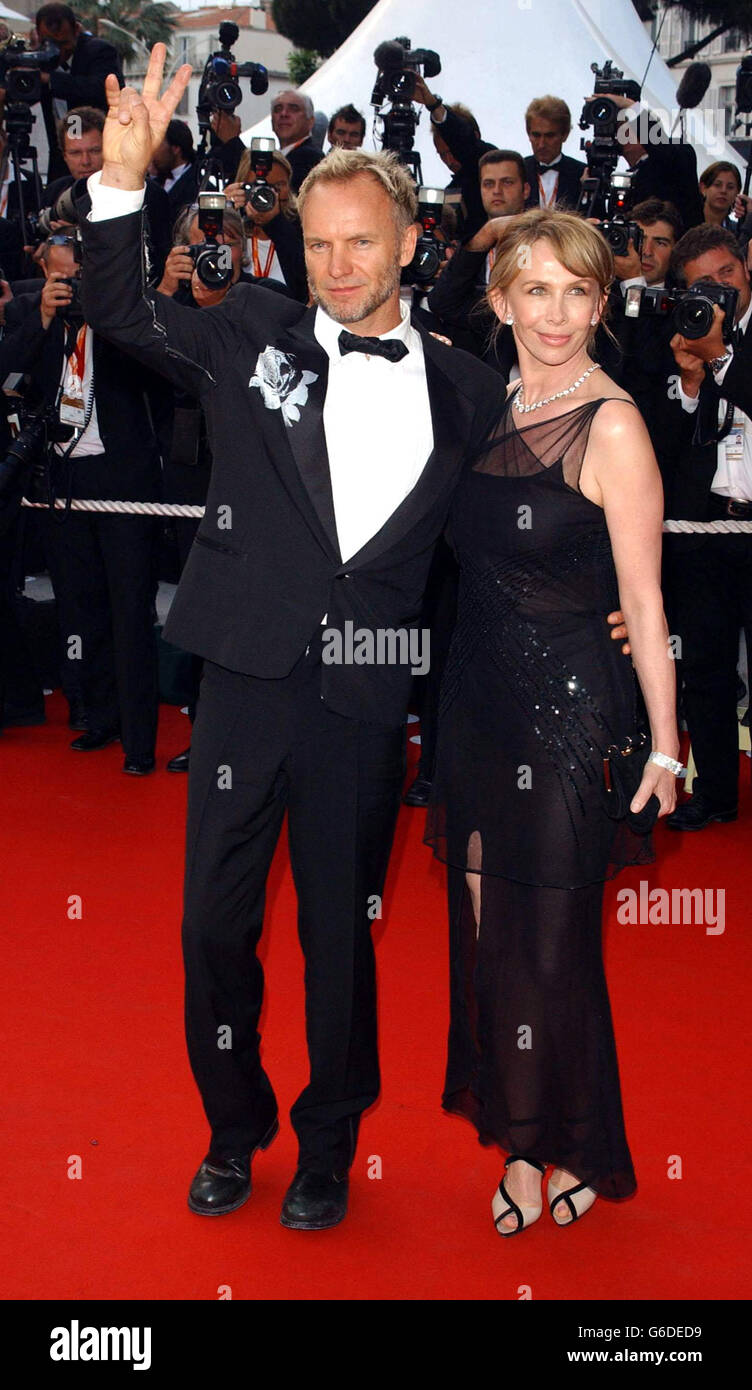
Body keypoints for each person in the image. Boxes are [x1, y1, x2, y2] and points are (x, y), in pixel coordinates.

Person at [424, 208, 681, 1234]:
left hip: (572, 714)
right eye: (535, 289)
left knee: (550, 943)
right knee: (492, 938)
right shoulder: (477, 403)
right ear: (501, 301)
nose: (557, 313)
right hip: (474, 707)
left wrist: (664, 742)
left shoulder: (611, 422)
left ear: (599, 303)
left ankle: (547, 1150)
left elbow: (647, 599)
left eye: (578, 291)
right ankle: (534, 1137)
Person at [3, 232, 162, 773]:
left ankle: (140, 741)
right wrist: (43, 320)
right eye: (61, 277)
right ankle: (98, 718)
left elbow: (155, 373)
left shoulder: (121, 317)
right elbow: (6, 376)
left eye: (80, 275)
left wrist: (110, 311)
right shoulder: (36, 320)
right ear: (44, 274)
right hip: (63, 486)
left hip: (123, 488)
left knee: (130, 612)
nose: (71, 286)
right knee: (81, 608)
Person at [661, 225, 752, 831]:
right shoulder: (675, 337)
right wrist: (690, 385)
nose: (716, 290)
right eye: (701, 284)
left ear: (745, 270)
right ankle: (716, 795)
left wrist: (720, 357)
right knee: (707, 673)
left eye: (725, 275)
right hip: (697, 532)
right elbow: (661, 444)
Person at [427, 150, 529, 374]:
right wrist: (488, 234)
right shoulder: (472, 240)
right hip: (477, 373)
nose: (497, 191)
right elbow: (441, 302)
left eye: (507, 182)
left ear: (526, 189)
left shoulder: (547, 239)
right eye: (488, 184)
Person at [43, 106, 171, 284]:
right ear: (64, 155)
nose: (85, 161)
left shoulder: (148, 193)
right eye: (75, 153)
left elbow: (159, 259)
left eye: (95, 151)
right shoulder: (55, 193)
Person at [34, 4, 123, 182]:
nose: (58, 52)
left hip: (98, 153)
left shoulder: (99, 51)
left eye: (63, 44)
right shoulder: (37, 58)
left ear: (77, 29)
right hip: (60, 156)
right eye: (50, 43)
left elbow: (101, 87)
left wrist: (49, 79)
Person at [412, 78, 497, 239]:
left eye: (452, 151)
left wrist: (434, 105)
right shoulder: (449, 191)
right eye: (442, 155)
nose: (449, 161)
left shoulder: (492, 165)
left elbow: (465, 142)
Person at [224, 148, 307, 301]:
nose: (267, 194)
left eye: (279, 185)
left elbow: (305, 279)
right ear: (242, 187)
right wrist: (224, 214)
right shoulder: (230, 233)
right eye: (259, 186)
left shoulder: (304, 228)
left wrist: (275, 224)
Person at [523, 96, 586, 210]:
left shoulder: (582, 173)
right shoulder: (518, 171)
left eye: (550, 136)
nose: (541, 144)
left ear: (565, 135)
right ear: (528, 133)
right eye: (536, 135)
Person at [269, 88, 323, 193]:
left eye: (294, 109)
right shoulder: (276, 155)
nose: (284, 114)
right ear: (272, 120)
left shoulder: (310, 158)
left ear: (310, 121)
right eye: (278, 109)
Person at [149, 119, 197, 222]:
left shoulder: (197, 185)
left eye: (158, 144)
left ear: (175, 148)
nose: (153, 151)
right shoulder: (156, 181)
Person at [699, 161, 743, 231]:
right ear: (703, 188)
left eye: (730, 187)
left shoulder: (738, 232)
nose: (723, 191)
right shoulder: (686, 222)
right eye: (717, 185)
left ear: (737, 193)